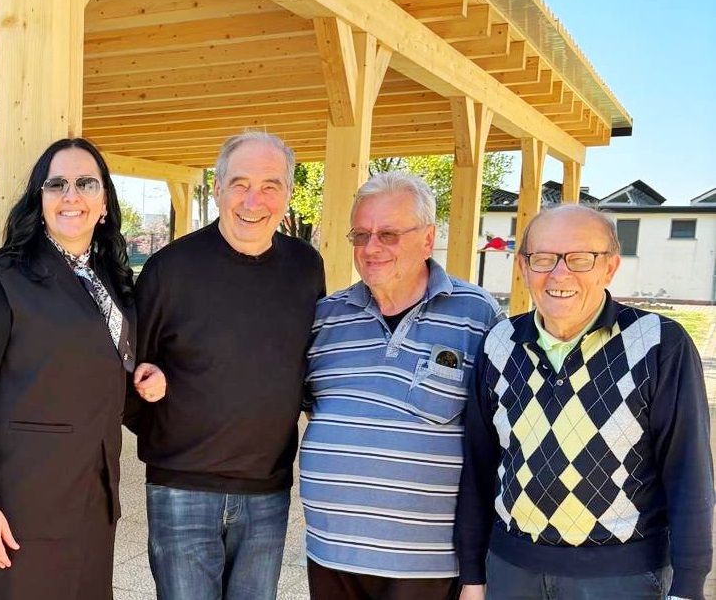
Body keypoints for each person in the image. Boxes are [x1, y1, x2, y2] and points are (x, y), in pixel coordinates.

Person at [455, 204, 713, 600]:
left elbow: (689, 473)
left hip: (622, 579)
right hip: (511, 572)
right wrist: (473, 574)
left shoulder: (659, 344)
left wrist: (689, 587)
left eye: (580, 258)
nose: (560, 274)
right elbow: (479, 466)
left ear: (609, 267)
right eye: (542, 258)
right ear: (523, 267)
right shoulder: (499, 344)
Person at [0, 137, 166, 599]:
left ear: (104, 200)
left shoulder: (114, 281)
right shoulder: (3, 279)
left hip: (93, 500)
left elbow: (99, 378)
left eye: (85, 183)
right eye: (57, 184)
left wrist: (146, 384)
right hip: (20, 505)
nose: (72, 195)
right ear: (40, 199)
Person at [133, 130, 326, 600]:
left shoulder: (306, 267)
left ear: (288, 194)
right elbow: (129, 367)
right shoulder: (169, 270)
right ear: (216, 188)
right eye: (239, 184)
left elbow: (310, 362)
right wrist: (149, 388)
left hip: (268, 489)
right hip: (182, 487)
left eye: (269, 186)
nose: (253, 200)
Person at [300, 171, 502, 600]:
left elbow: (497, 446)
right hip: (332, 554)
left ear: (428, 239)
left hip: (426, 564)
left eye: (388, 234)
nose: (371, 248)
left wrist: (477, 571)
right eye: (361, 235)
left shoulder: (476, 315)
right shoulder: (327, 317)